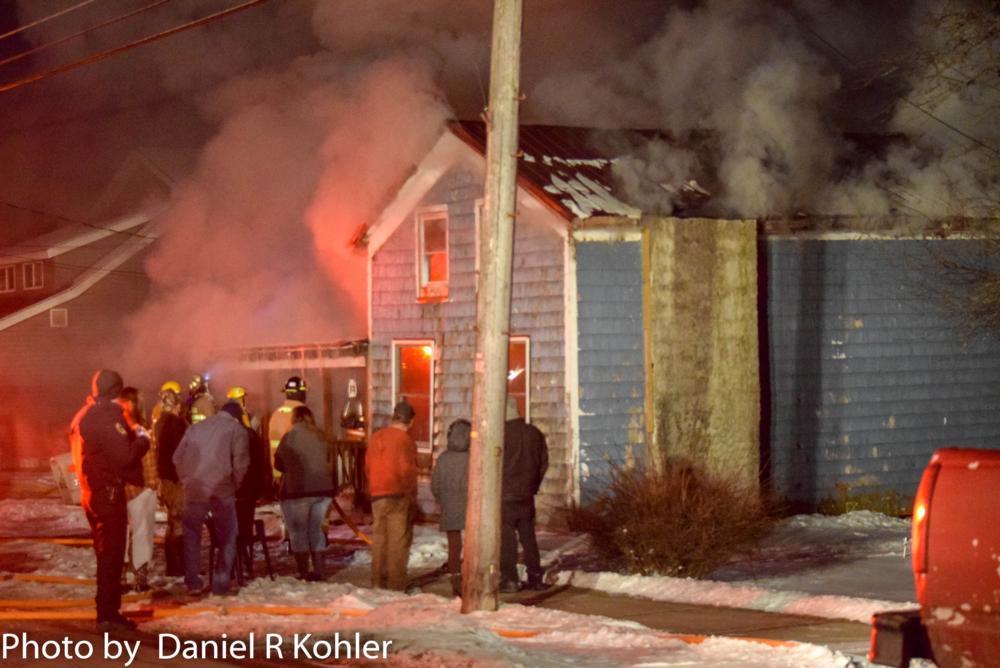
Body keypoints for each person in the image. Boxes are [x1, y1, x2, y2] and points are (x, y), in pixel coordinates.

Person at [75, 369, 149, 632]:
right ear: (117, 390)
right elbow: (124, 457)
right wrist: (142, 440)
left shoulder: (87, 415)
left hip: (93, 493)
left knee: (106, 554)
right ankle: (107, 614)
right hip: (108, 495)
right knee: (112, 556)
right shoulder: (107, 418)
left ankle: (106, 609)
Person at [172, 399, 249, 596]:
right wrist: (234, 485)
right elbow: (241, 463)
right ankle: (221, 582)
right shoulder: (236, 430)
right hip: (222, 491)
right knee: (228, 535)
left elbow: (177, 458)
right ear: (237, 416)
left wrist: (187, 480)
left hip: (194, 489)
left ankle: (193, 582)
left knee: (191, 535)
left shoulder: (195, 428)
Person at [275, 406, 337, 581]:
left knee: (299, 532)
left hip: (297, 491)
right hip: (323, 491)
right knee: (317, 530)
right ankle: (319, 570)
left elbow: (278, 464)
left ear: (294, 419)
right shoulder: (321, 436)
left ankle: (303, 571)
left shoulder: (289, 437)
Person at [364, 400, 418, 591]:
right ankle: (396, 584)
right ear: (410, 421)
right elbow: (407, 470)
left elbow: (368, 466)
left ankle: (377, 580)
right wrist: (411, 493)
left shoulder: (376, 437)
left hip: (377, 493)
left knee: (379, 539)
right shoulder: (406, 441)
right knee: (397, 540)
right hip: (397, 493)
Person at [499, 396, 549, 593]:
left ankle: (510, 578)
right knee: (529, 537)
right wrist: (533, 484)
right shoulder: (534, 433)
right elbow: (543, 462)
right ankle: (535, 577)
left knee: (507, 538)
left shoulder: (500, 435)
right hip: (527, 494)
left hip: (505, 495)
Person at [118, 386, 158, 592]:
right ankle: (140, 579)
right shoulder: (141, 431)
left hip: (120, 489)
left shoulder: (116, 430)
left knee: (120, 533)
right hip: (141, 490)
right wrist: (152, 486)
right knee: (142, 533)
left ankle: (121, 577)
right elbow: (150, 464)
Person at [431, 419, 471, 596]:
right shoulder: (473, 458)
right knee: (472, 543)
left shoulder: (443, 458)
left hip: (450, 504)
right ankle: (471, 573)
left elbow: (435, 485)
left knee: (454, 544)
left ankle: (455, 574)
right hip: (471, 507)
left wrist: (442, 500)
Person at [233, 400, 271, 579]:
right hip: (246, 491)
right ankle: (244, 562)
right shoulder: (250, 435)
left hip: (232, 491)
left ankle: (237, 562)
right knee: (244, 527)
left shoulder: (225, 436)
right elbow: (259, 463)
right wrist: (259, 488)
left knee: (231, 529)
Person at [153, 381, 187, 577]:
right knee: (178, 521)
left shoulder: (159, 422)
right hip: (176, 480)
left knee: (172, 522)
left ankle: (174, 565)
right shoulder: (175, 424)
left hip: (166, 479)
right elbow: (182, 452)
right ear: (176, 404)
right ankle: (178, 566)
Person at [268, 376, 307, 473]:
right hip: (300, 473)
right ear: (301, 393)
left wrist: (276, 473)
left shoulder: (276, 414)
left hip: (279, 470)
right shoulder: (304, 414)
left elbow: (274, 446)